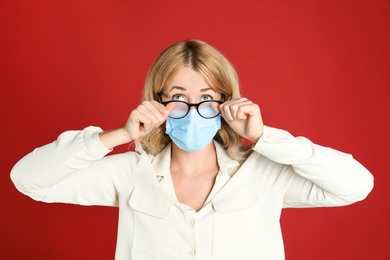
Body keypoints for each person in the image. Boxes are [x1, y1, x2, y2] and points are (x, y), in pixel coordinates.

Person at [11, 39, 374, 260]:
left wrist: (265, 139)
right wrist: (118, 134)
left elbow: (356, 185)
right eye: (179, 98)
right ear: (158, 101)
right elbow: (28, 180)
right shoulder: (131, 172)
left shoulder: (264, 172)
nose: (193, 111)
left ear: (226, 103)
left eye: (207, 98)